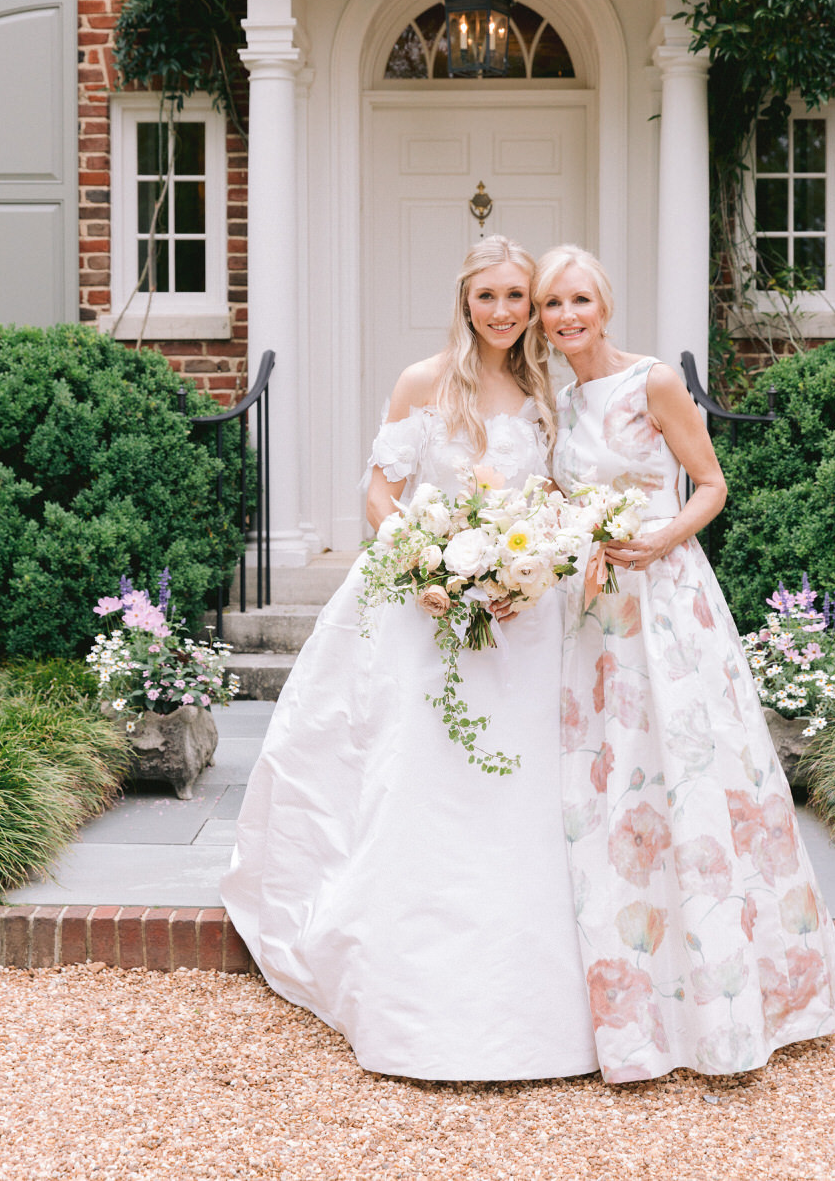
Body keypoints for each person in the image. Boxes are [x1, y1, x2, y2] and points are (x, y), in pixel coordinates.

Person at [221, 236, 599, 1081]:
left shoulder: (545, 387)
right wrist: (425, 561)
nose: (503, 312)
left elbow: (552, 496)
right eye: (488, 296)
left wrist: (532, 561)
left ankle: (531, 981)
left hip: (520, 612)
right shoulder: (425, 380)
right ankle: (407, 979)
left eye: (517, 297)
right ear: (464, 300)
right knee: (422, 774)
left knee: (524, 782)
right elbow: (379, 494)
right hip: (425, 602)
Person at [535, 244, 835, 1083]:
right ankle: (636, 992)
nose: (563, 317)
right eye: (548, 306)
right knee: (615, 786)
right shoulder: (562, 403)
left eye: (576, 300)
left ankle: (733, 994)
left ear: (603, 303)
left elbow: (710, 484)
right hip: (595, 614)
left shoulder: (654, 382)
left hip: (667, 603)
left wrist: (656, 540)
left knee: (691, 773)